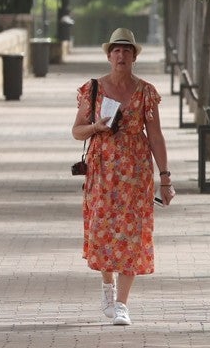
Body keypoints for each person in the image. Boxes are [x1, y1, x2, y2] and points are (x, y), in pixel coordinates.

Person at [71, 27, 175, 326]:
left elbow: (155, 136)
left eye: (126, 51)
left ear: (134, 57)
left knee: (131, 231)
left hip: (135, 170)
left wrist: (165, 178)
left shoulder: (145, 92)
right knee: (103, 227)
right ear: (108, 56)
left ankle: (122, 304)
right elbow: (76, 131)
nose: (121, 55)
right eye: (116, 50)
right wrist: (97, 128)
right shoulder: (93, 89)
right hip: (102, 169)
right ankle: (107, 286)